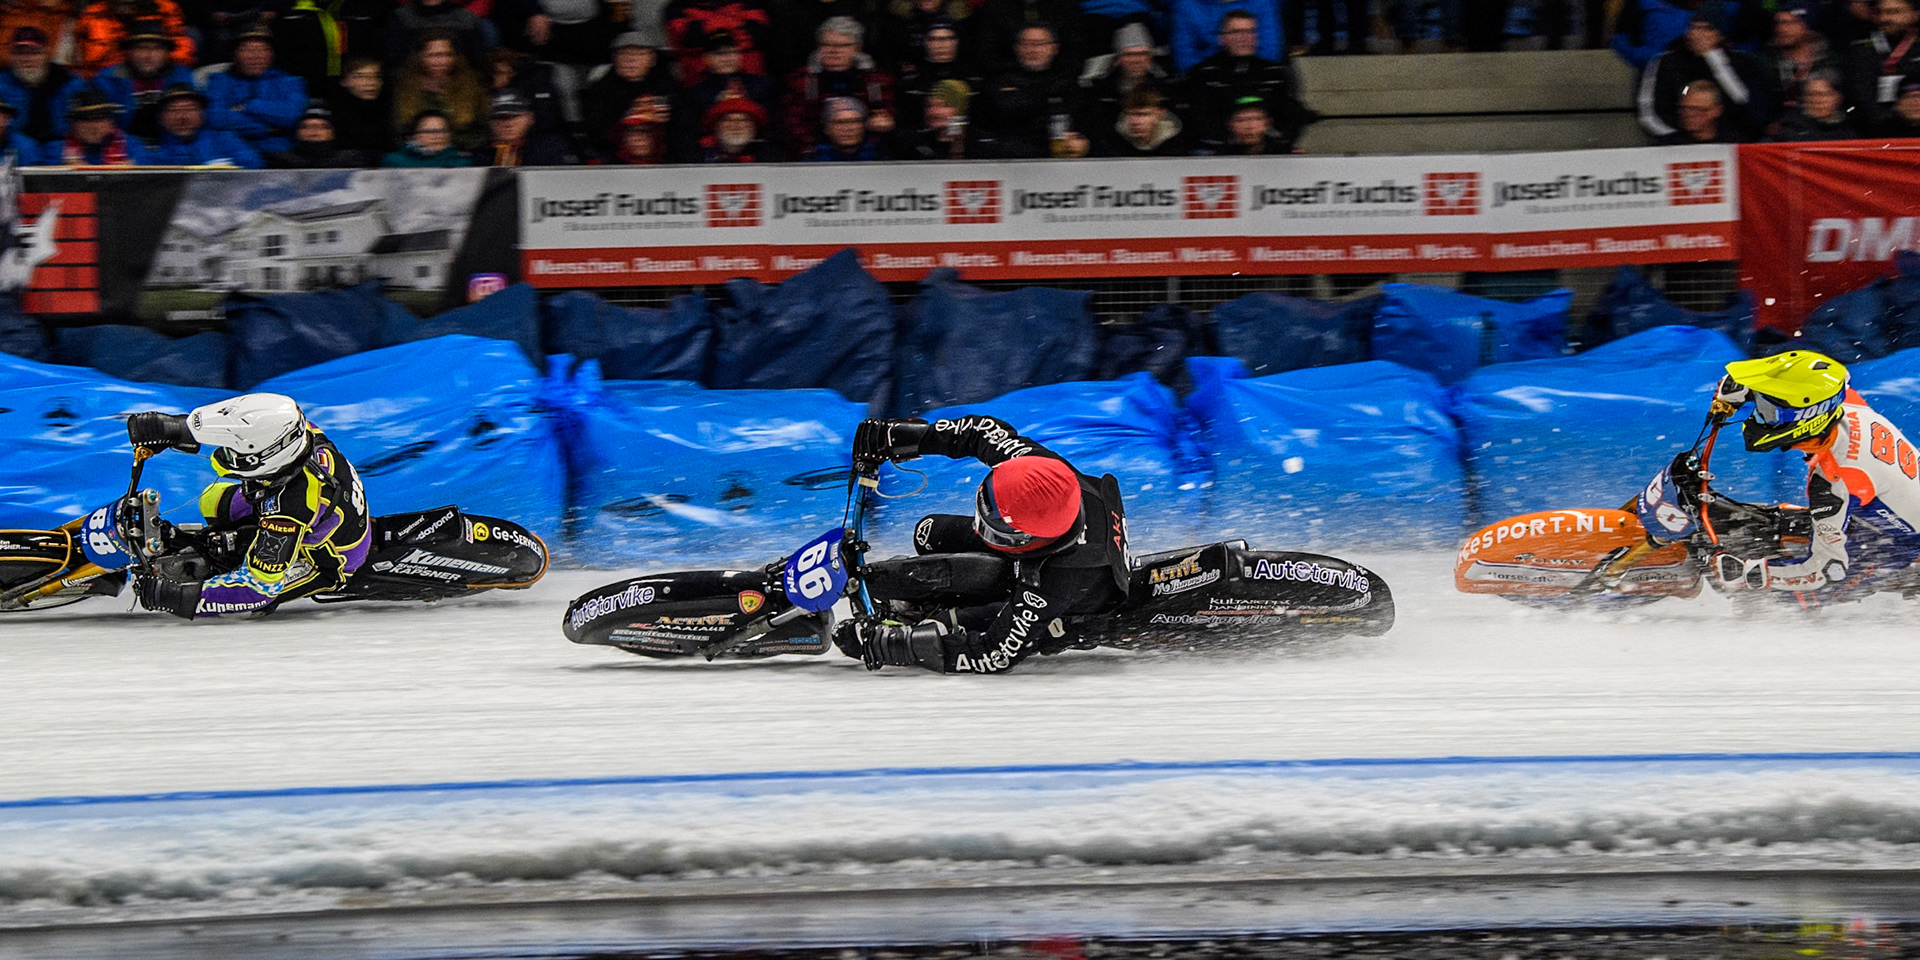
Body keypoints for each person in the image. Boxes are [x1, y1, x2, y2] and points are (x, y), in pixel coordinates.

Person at [836, 415, 1129, 674]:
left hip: (1066, 607)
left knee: (952, 622)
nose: (981, 529)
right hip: (1046, 554)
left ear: (1033, 541)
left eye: (999, 533)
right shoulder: (1040, 467)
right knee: (928, 533)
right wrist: (902, 436)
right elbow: (980, 431)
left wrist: (899, 648)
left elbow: (994, 655)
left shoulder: (1057, 584)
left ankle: (940, 615)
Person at [122, 394, 370, 621]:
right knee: (211, 500)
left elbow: (257, 588)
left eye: (234, 452)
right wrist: (175, 427)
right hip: (307, 506)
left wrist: (174, 598)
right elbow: (243, 426)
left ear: (264, 458)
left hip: (326, 561)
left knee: (248, 606)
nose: (225, 454)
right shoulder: (297, 430)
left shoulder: (291, 509)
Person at [1700, 351, 1920, 599]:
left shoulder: (1834, 481)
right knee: (1775, 524)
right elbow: (1806, 385)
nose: (1757, 417)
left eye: (1768, 412)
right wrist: (1747, 388)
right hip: (1884, 513)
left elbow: (1822, 572)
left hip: (1898, 547)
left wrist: (1746, 575)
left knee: (1786, 598)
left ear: (1806, 421)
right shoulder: (1841, 400)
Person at [1635, 0, 1771, 143]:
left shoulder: (1743, 63)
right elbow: (1649, 115)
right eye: (1693, 28)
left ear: (1721, 34)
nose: (1697, 34)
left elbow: (1746, 104)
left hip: (1731, 144)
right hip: (1676, 145)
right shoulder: (1666, 63)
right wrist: (1681, 139)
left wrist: (1713, 58)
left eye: (1707, 29)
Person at [1183, 9, 1314, 149]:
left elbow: (1290, 116)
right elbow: (1198, 120)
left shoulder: (1275, 73)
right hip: (1217, 153)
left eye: (1250, 31)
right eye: (1236, 32)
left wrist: (1275, 145)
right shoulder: (1203, 73)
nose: (1243, 38)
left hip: (1268, 152)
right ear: (1221, 38)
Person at [781, 16, 894, 155]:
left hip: (869, 151)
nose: (833, 51)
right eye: (826, 45)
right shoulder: (801, 80)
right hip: (814, 153)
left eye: (842, 45)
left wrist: (879, 130)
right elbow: (791, 122)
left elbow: (886, 115)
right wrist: (810, 149)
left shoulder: (875, 80)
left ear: (857, 48)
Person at [974, 22, 1085, 157]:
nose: (1032, 50)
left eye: (1039, 44)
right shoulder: (998, 81)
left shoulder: (1069, 83)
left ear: (1054, 48)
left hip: (1061, 156)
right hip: (1008, 157)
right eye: (1026, 44)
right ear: (1016, 48)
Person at [203, 25, 309, 157]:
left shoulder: (291, 82)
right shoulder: (219, 81)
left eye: (262, 50)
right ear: (234, 55)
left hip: (282, 152)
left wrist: (248, 107)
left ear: (272, 55)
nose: (255, 56)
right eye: (247, 50)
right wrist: (265, 129)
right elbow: (215, 116)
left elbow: (292, 116)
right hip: (233, 153)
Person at [91, 18, 192, 142]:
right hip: (123, 146)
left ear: (167, 53)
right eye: (141, 48)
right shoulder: (108, 79)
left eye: (156, 49)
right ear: (129, 52)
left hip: (172, 145)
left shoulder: (181, 75)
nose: (148, 56)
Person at [581, 31, 675, 158]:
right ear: (614, 58)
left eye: (639, 53)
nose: (630, 59)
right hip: (616, 158)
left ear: (653, 59)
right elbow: (595, 133)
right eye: (623, 53)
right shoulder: (600, 90)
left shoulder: (669, 87)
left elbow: (682, 128)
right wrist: (628, 118)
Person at [392, 31, 489, 151]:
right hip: (414, 155)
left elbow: (482, 130)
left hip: (460, 154)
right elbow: (397, 132)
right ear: (420, 57)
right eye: (433, 55)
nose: (441, 61)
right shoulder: (403, 89)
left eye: (447, 55)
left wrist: (456, 148)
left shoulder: (472, 87)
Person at [1078, 21, 1176, 138]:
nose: (1136, 60)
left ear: (1150, 57)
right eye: (1129, 54)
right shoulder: (1100, 89)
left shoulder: (1164, 87)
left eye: (1142, 53)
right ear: (1118, 59)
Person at [132, 82, 264, 166]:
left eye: (190, 109)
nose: (182, 116)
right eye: (173, 110)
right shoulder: (149, 149)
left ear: (202, 114)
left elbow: (253, 165)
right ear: (161, 118)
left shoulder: (225, 139)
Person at [1845, 0, 1920, 133]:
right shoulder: (1862, 51)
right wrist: (1895, 112)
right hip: (1878, 133)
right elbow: (1859, 100)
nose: (1885, 18)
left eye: (1895, 12)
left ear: (1915, 15)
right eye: (1880, 12)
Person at [0, 25, 78, 144]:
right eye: (20, 53)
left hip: (61, 149)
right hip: (12, 149)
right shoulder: (2, 84)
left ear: (47, 54)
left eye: (35, 52)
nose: (27, 59)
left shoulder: (69, 84)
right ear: (11, 56)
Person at [73, 0, 194, 75]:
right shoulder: (92, 15)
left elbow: (182, 52)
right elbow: (84, 62)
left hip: (160, 72)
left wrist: (153, 62)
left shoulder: (164, 8)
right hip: (108, 79)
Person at [34, 87, 134, 164]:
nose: (93, 126)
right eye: (86, 120)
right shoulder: (56, 151)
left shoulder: (131, 147)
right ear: (73, 124)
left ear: (111, 123)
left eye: (99, 119)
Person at [888, 76, 977, 157]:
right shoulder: (912, 142)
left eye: (942, 106)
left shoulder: (978, 143)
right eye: (929, 105)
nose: (933, 111)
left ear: (959, 109)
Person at [266, 100, 373, 166]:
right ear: (297, 132)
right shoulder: (281, 161)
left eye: (321, 126)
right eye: (306, 126)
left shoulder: (351, 160)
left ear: (332, 132)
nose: (313, 131)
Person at [478, 87, 571, 163]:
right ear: (490, 122)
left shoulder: (549, 150)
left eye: (514, 116)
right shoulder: (479, 156)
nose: (508, 124)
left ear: (529, 117)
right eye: (500, 117)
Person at [1091, 84, 1188, 155]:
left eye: (1143, 115)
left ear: (1159, 115)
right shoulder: (1112, 143)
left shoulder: (1177, 143)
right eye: (1130, 114)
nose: (1135, 122)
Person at [326, 56, 393, 156]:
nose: (370, 82)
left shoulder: (390, 111)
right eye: (360, 76)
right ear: (344, 81)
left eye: (376, 76)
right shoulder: (332, 114)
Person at [1767, 71, 1861, 139]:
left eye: (1823, 94)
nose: (1816, 100)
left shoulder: (1851, 130)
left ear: (1838, 97)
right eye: (1810, 94)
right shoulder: (1787, 129)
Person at [1653, 78, 1747, 142]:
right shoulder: (1667, 146)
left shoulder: (1735, 145)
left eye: (1697, 109)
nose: (1689, 114)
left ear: (1717, 110)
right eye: (1684, 108)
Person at [695, 90, 778, 160]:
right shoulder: (697, 155)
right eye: (728, 120)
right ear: (716, 127)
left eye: (744, 120)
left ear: (754, 127)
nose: (736, 124)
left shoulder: (771, 155)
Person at [1201, 92, 1296, 152]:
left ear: (1268, 123)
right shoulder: (1220, 155)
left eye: (1257, 119)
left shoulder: (1284, 153)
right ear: (1229, 124)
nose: (1249, 126)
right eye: (1241, 120)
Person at [382, 107, 473, 165]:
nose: (437, 136)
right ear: (414, 135)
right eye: (429, 131)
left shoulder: (461, 162)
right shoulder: (394, 161)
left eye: (442, 131)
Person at [808, 93, 885, 158]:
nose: (848, 128)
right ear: (827, 129)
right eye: (840, 122)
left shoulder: (880, 157)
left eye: (855, 121)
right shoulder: (813, 160)